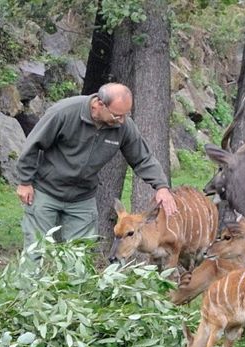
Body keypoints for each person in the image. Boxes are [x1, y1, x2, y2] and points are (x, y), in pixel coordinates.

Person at [15, 82, 178, 252]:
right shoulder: (65, 112)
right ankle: (30, 279)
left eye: (125, 115)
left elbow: (143, 158)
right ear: (99, 104)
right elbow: (33, 144)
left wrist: (161, 186)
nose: (122, 121)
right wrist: (25, 181)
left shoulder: (123, 126)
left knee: (79, 257)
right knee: (35, 252)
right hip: (46, 192)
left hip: (82, 198)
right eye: (117, 115)